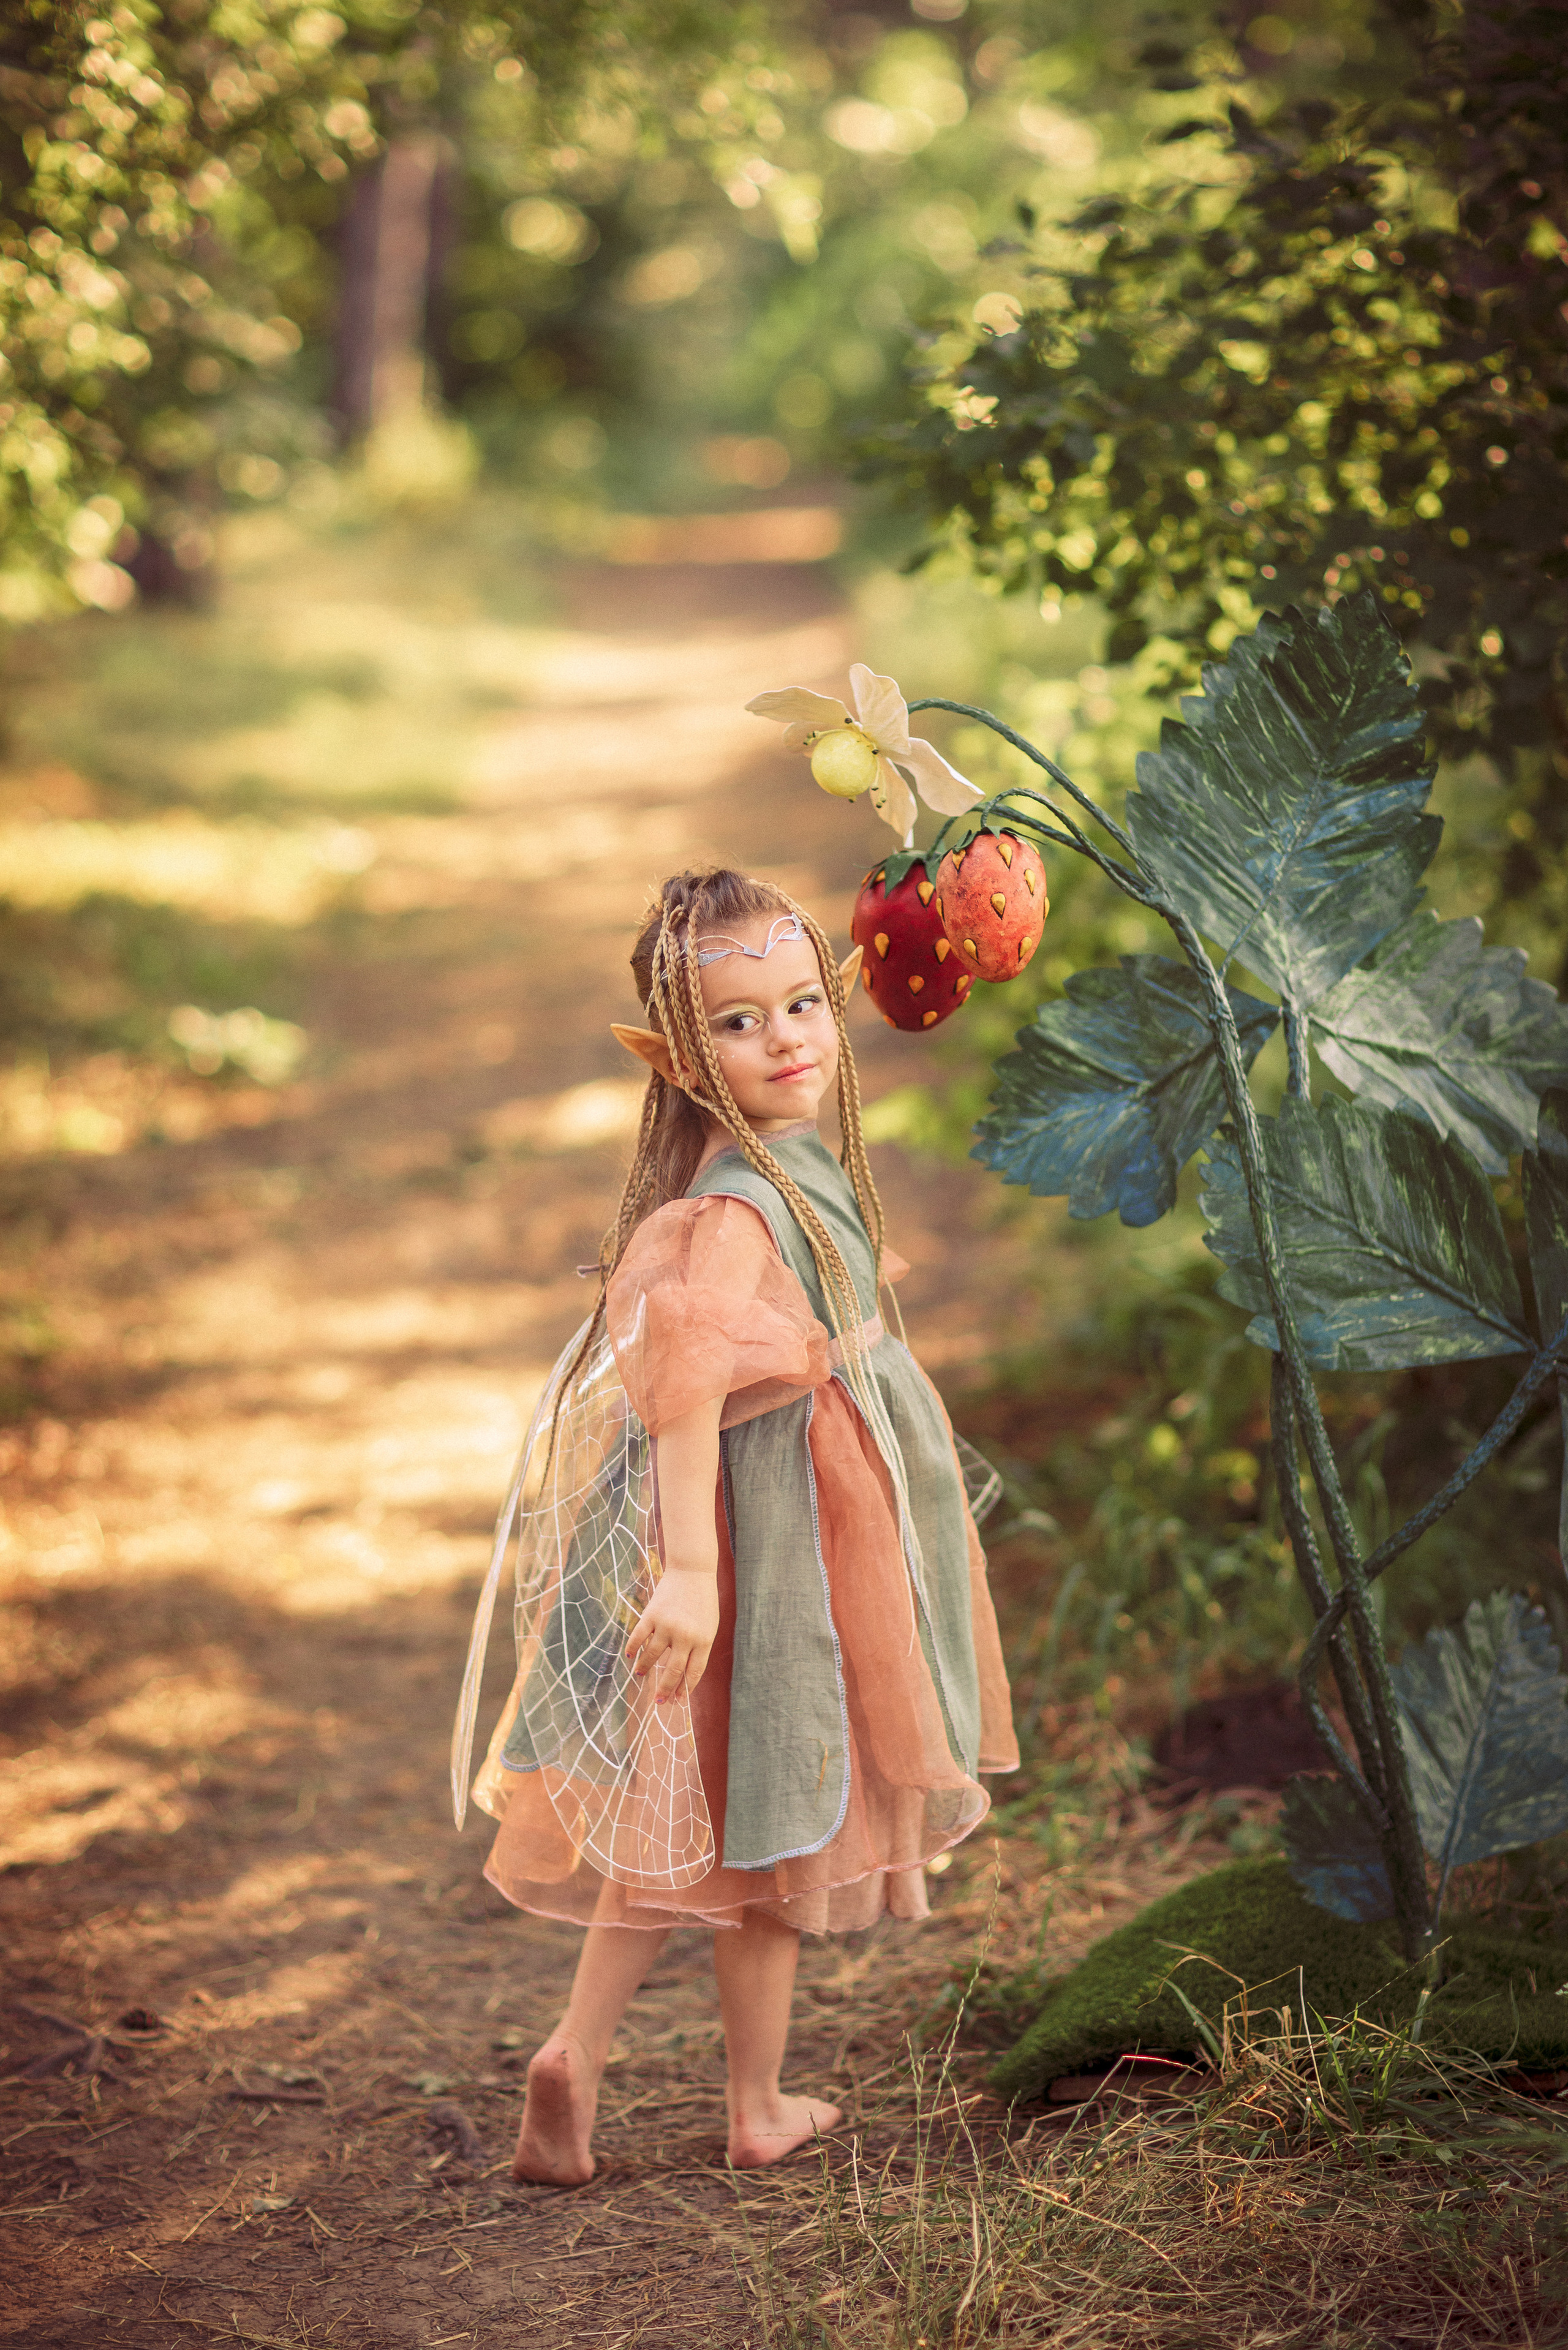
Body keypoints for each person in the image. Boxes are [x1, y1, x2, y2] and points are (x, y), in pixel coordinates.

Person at [450, 867, 1017, 2185]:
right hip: (771, 1555)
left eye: (802, 1003)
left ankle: (575, 2056)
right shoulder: (725, 1205)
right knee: (766, 1831)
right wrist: (696, 1574)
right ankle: (754, 2103)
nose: (787, 1039)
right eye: (741, 1022)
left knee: (682, 1823)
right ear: (678, 1058)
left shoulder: (794, 1164)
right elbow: (683, 1384)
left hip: (795, 1529)